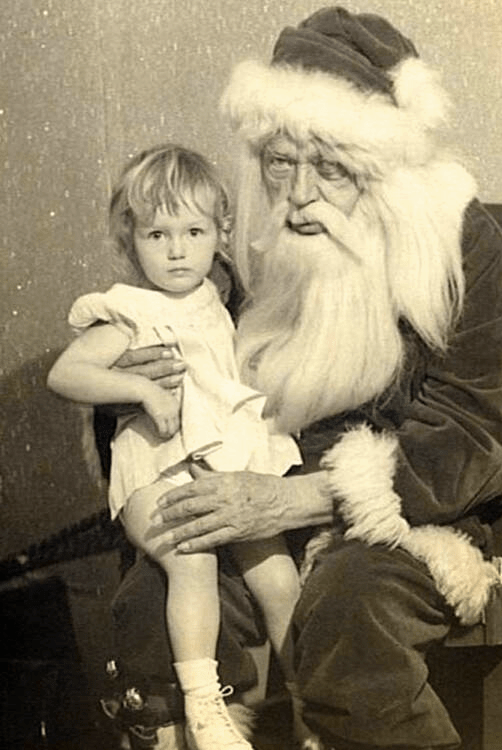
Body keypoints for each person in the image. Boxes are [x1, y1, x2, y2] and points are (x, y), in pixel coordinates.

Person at [100, 8, 502, 750]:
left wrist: (291, 499)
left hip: (411, 515)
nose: (298, 193)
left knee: (346, 609)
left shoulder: (461, 247)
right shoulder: (247, 256)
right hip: (261, 500)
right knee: (149, 600)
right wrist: (144, 384)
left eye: (330, 167)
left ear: (382, 170)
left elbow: (476, 435)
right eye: (279, 161)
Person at [47, 144, 316, 750]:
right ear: (130, 240)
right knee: (190, 560)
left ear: (219, 234)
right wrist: (141, 388)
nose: (176, 250)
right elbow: (65, 375)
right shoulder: (129, 311)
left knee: (278, 576)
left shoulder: (217, 298)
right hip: (157, 474)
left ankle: (310, 705)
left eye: (193, 232)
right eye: (157, 234)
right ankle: (203, 707)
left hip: (224, 467)